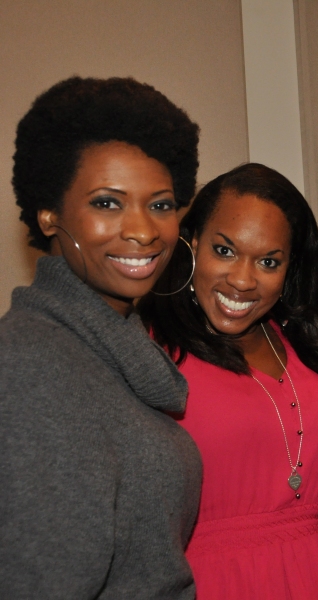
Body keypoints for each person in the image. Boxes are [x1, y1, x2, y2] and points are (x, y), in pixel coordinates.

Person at [0, 76, 202, 599]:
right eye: (108, 203)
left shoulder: (111, 351)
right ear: (49, 214)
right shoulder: (30, 364)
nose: (142, 230)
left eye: (161, 205)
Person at [139, 163, 318, 600]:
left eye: (268, 261)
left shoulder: (314, 349)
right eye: (225, 251)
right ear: (193, 242)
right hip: (208, 583)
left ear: (290, 270)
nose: (242, 280)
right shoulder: (149, 353)